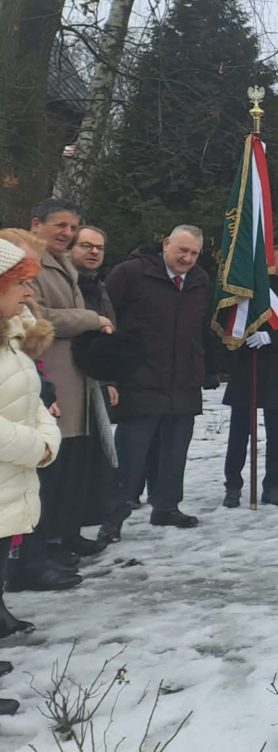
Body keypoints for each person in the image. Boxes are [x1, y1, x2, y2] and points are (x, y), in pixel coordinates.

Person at [103, 225, 217, 536]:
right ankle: (113, 517)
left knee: (174, 451)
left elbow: (201, 329)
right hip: (140, 379)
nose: (187, 258)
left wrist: (207, 368)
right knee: (130, 455)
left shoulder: (200, 280)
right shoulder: (130, 273)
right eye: (182, 250)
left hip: (184, 381)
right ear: (166, 244)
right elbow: (106, 322)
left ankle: (166, 507)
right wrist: (109, 373)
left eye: (194, 253)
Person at [25, 200, 112, 580]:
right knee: (46, 474)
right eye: (60, 225)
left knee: (69, 469)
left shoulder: (63, 264)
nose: (67, 233)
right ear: (35, 224)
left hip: (75, 380)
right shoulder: (26, 263)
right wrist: (91, 319)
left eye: (72, 226)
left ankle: (59, 539)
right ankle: (33, 554)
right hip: (46, 379)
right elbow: (35, 315)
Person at [0, 236, 63, 716]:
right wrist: (37, 446)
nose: (28, 294)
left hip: (12, 477)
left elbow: (34, 399)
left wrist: (47, 439)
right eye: (20, 284)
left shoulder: (12, 337)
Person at [222, 243, 278, 508]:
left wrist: (272, 337)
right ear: (271, 261)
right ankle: (233, 487)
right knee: (238, 435)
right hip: (248, 368)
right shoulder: (252, 291)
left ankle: (272, 486)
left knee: (277, 437)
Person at [69, 227, 130, 537]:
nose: (93, 252)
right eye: (86, 246)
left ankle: (83, 526)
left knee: (97, 455)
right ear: (70, 249)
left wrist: (110, 379)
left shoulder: (100, 287)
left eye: (99, 248)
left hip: (96, 381)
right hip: (67, 381)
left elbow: (110, 337)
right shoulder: (66, 285)